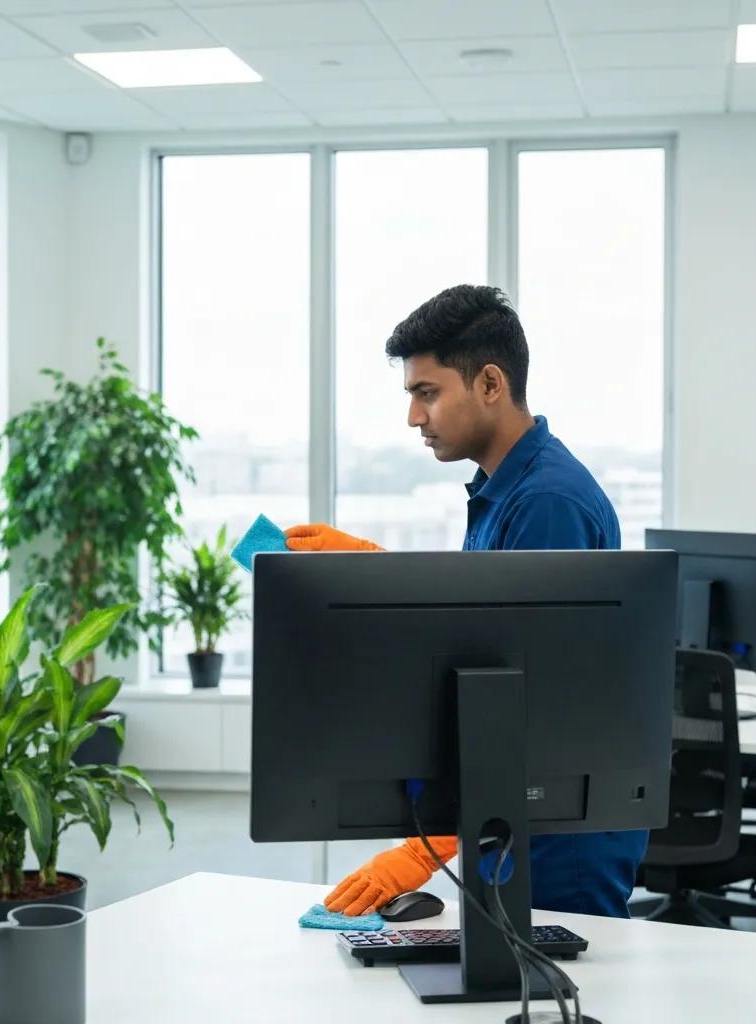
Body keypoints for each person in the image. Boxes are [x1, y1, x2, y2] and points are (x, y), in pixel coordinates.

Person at [285, 284, 644, 919]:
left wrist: (424, 852)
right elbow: (482, 629)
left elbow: (523, 695)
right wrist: (374, 575)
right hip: (514, 813)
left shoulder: (545, 505)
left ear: (489, 384)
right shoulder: (503, 490)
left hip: (554, 838)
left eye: (427, 393)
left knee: (556, 1011)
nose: (414, 417)